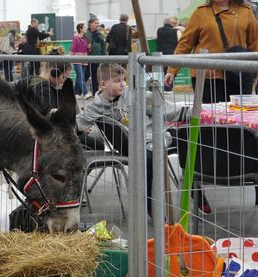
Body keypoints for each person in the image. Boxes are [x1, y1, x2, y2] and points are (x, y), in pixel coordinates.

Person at [78, 63, 191, 215]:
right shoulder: (96, 107)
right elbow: (78, 122)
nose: (123, 84)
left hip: (156, 135)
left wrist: (194, 111)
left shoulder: (135, 94)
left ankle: (194, 188)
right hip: (132, 146)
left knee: (186, 137)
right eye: (117, 80)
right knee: (149, 159)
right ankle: (152, 208)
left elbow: (164, 108)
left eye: (123, 80)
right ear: (103, 84)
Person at [164, 0, 258, 104]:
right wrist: (172, 70)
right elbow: (185, 44)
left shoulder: (246, 12)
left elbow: (255, 45)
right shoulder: (200, 12)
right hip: (207, 77)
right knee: (211, 116)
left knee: (237, 116)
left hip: (238, 75)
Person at [17, 47, 72, 113]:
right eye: (64, 77)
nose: (63, 81)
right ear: (54, 72)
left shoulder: (30, 79)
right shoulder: (45, 90)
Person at [85, 17, 106, 97]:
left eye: (98, 23)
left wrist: (104, 57)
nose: (98, 25)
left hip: (96, 58)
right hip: (86, 58)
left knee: (94, 77)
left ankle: (94, 93)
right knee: (84, 76)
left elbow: (103, 46)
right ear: (90, 24)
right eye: (95, 23)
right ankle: (77, 91)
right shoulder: (86, 33)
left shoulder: (100, 34)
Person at [69, 23, 89, 97]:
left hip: (84, 58)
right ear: (80, 29)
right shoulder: (75, 37)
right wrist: (70, 56)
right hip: (77, 58)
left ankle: (75, 93)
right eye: (84, 27)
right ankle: (85, 92)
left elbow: (86, 48)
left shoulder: (85, 38)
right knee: (80, 76)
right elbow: (73, 47)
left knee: (80, 76)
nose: (85, 28)